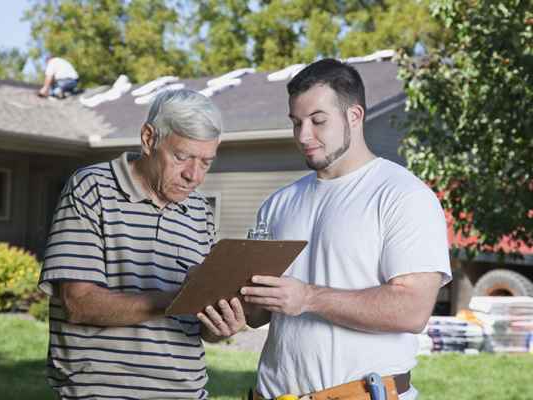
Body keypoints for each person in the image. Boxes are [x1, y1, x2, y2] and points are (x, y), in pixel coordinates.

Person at [240, 59, 452, 400]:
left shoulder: (403, 195)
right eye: (296, 123)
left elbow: (413, 309)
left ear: (354, 116)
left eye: (318, 121)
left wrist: (309, 297)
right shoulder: (277, 204)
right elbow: (257, 314)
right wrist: (222, 297)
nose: (303, 135)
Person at [38, 89, 247, 399]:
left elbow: (198, 323)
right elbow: (78, 303)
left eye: (206, 162)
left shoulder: (199, 210)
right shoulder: (91, 188)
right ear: (149, 138)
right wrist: (179, 299)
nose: (194, 175)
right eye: (181, 157)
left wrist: (217, 326)